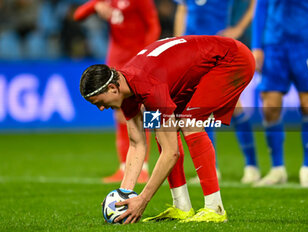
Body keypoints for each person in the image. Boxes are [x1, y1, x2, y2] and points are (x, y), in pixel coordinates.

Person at [79, 35, 255, 223]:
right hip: (196, 69)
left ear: (112, 88)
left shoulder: (147, 86)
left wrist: (143, 200)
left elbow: (172, 153)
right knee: (161, 132)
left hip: (232, 59)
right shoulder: (125, 89)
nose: (101, 108)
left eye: (99, 102)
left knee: (189, 123)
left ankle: (215, 209)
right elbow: (137, 143)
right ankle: (181, 207)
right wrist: (124, 195)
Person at [74, 0, 161, 183]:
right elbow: (78, 15)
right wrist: (95, 6)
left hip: (136, 60)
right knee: (119, 114)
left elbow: (153, 26)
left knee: (141, 112)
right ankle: (124, 167)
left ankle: (142, 168)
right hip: (115, 61)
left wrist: (145, 57)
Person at [173, 0, 260, 184]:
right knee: (199, 108)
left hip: (219, 49)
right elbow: (182, 9)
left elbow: (255, 4)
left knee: (235, 106)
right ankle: (212, 169)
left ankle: (252, 166)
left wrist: (238, 29)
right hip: (192, 50)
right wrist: (177, 41)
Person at [252, 0, 308, 187]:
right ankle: (277, 169)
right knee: (270, 107)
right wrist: (256, 46)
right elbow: (261, 7)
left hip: (306, 44)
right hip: (273, 45)